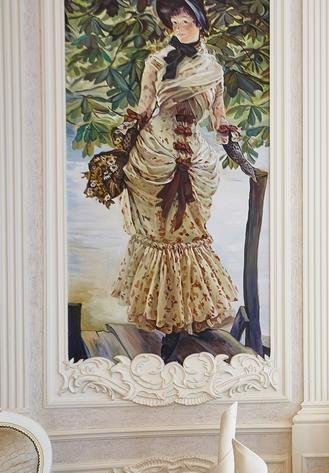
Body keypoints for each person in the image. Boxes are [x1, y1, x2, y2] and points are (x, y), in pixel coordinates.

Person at [110, 0, 257, 361]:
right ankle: (169, 325)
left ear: (200, 23)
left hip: (195, 156)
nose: (179, 26)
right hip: (155, 155)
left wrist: (237, 152)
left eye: (186, 20)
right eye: (174, 21)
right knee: (162, 236)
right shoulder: (157, 62)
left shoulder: (214, 69)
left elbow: (219, 119)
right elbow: (144, 108)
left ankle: (192, 316)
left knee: (191, 234)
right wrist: (120, 150)